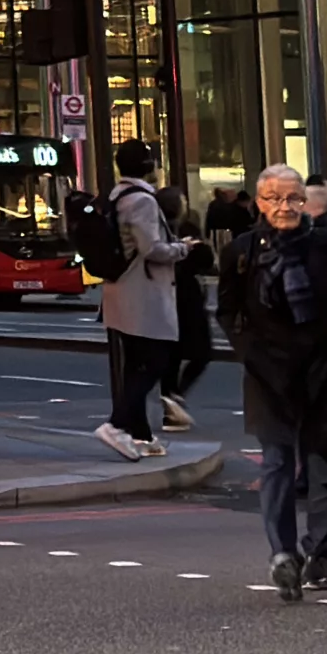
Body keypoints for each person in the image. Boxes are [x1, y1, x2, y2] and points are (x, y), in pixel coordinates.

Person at [216, 163, 327, 603]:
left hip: (323, 370)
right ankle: (282, 554)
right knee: (277, 463)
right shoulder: (242, 252)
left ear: (305, 202)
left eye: (293, 199)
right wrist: (250, 353)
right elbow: (227, 311)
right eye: (275, 199)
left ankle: (319, 551)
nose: (285, 207)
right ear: (260, 203)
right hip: (269, 374)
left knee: (325, 466)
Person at [96, 138, 188, 462]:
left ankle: (141, 434)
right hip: (143, 292)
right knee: (156, 363)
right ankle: (115, 425)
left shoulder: (115, 195)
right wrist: (184, 248)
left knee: (136, 364)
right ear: (148, 167)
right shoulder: (143, 201)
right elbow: (153, 249)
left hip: (119, 289)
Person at [155, 186, 213, 434]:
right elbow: (206, 261)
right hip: (185, 296)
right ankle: (173, 397)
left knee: (174, 352)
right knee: (200, 352)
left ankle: (171, 400)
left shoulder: (158, 229)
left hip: (166, 296)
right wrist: (190, 248)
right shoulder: (176, 231)